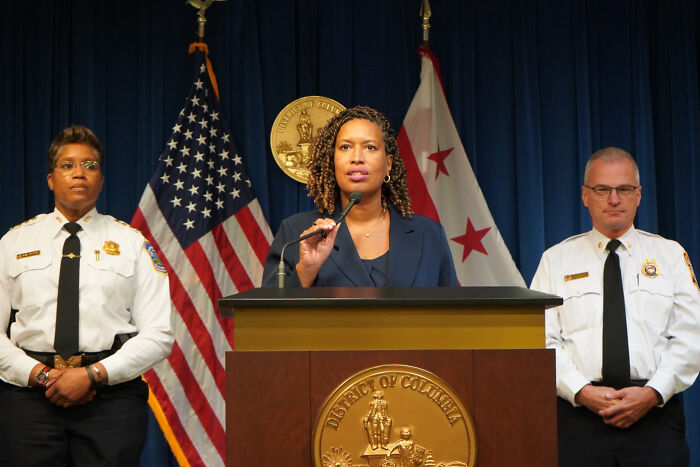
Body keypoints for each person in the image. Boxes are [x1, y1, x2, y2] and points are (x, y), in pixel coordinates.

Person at [0, 125, 174, 466]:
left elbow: (159, 334)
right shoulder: (13, 244)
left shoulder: (132, 244)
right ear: (51, 179)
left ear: (102, 180)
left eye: (90, 165)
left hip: (112, 400)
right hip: (28, 399)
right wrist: (42, 376)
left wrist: (92, 375)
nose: (79, 172)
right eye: (68, 165)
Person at [531, 147, 700, 466]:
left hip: (655, 418)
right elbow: (540, 339)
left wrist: (652, 393)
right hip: (578, 418)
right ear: (585, 195)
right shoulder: (556, 260)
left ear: (639, 195)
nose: (613, 199)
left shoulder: (670, 256)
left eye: (624, 189)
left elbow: (691, 338)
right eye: (602, 189)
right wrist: (581, 391)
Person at [262, 105, 458, 287]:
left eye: (370, 147)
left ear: (388, 163)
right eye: (345, 147)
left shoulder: (429, 234)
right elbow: (267, 319)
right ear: (333, 160)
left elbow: (452, 316)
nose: (357, 158)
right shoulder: (296, 233)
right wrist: (306, 271)